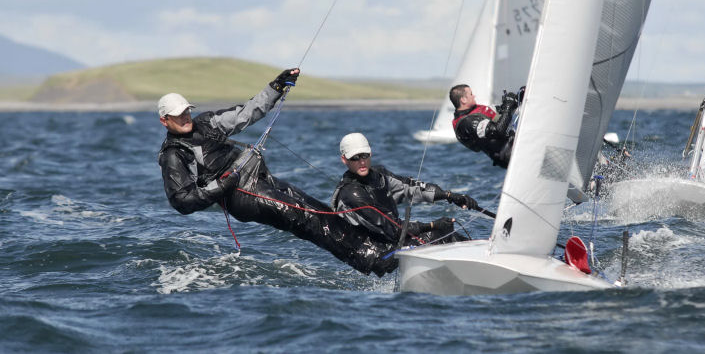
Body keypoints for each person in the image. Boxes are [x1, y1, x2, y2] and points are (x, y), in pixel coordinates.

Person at [157, 68, 398, 277]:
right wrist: (222, 187)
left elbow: (246, 112)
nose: (185, 117)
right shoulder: (174, 154)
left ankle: (374, 245)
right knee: (306, 217)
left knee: (320, 209)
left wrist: (276, 87)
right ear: (164, 121)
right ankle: (371, 259)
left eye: (186, 111)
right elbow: (182, 201)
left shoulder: (207, 123)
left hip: (260, 180)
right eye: (178, 115)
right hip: (241, 194)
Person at [331, 132, 478, 246]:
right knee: (436, 234)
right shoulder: (351, 193)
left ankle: (479, 250)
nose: (362, 161)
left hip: (395, 238)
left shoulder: (380, 175)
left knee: (444, 231)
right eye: (355, 158)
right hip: (375, 250)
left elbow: (411, 187)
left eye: (364, 155)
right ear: (344, 159)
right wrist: (432, 225)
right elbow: (392, 228)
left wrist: (450, 196)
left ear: (371, 153)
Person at [449, 84, 520, 168]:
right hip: (508, 154)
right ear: (463, 100)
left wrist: (513, 100)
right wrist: (508, 107)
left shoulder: (476, 110)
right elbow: (498, 131)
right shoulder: (467, 123)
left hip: (515, 143)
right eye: (471, 94)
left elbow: (502, 111)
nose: (474, 96)